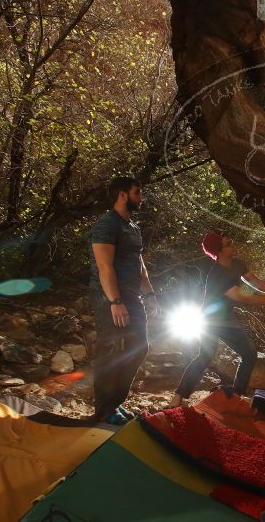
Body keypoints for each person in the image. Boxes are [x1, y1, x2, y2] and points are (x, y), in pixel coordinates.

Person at [169, 231, 265, 407]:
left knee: (249, 354)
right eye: (228, 244)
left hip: (225, 317)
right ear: (220, 251)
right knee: (205, 356)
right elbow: (245, 297)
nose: (233, 244)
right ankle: (178, 398)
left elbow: (258, 284)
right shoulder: (217, 274)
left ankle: (236, 395)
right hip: (209, 319)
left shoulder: (237, 264)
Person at [88, 176, 160, 425]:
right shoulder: (107, 225)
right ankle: (104, 410)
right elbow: (104, 267)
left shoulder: (133, 227)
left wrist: (150, 294)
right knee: (111, 350)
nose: (141, 197)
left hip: (132, 297)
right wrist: (114, 302)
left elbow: (139, 264)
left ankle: (114, 403)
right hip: (109, 298)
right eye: (137, 192)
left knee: (139, 346)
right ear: (122, 194)